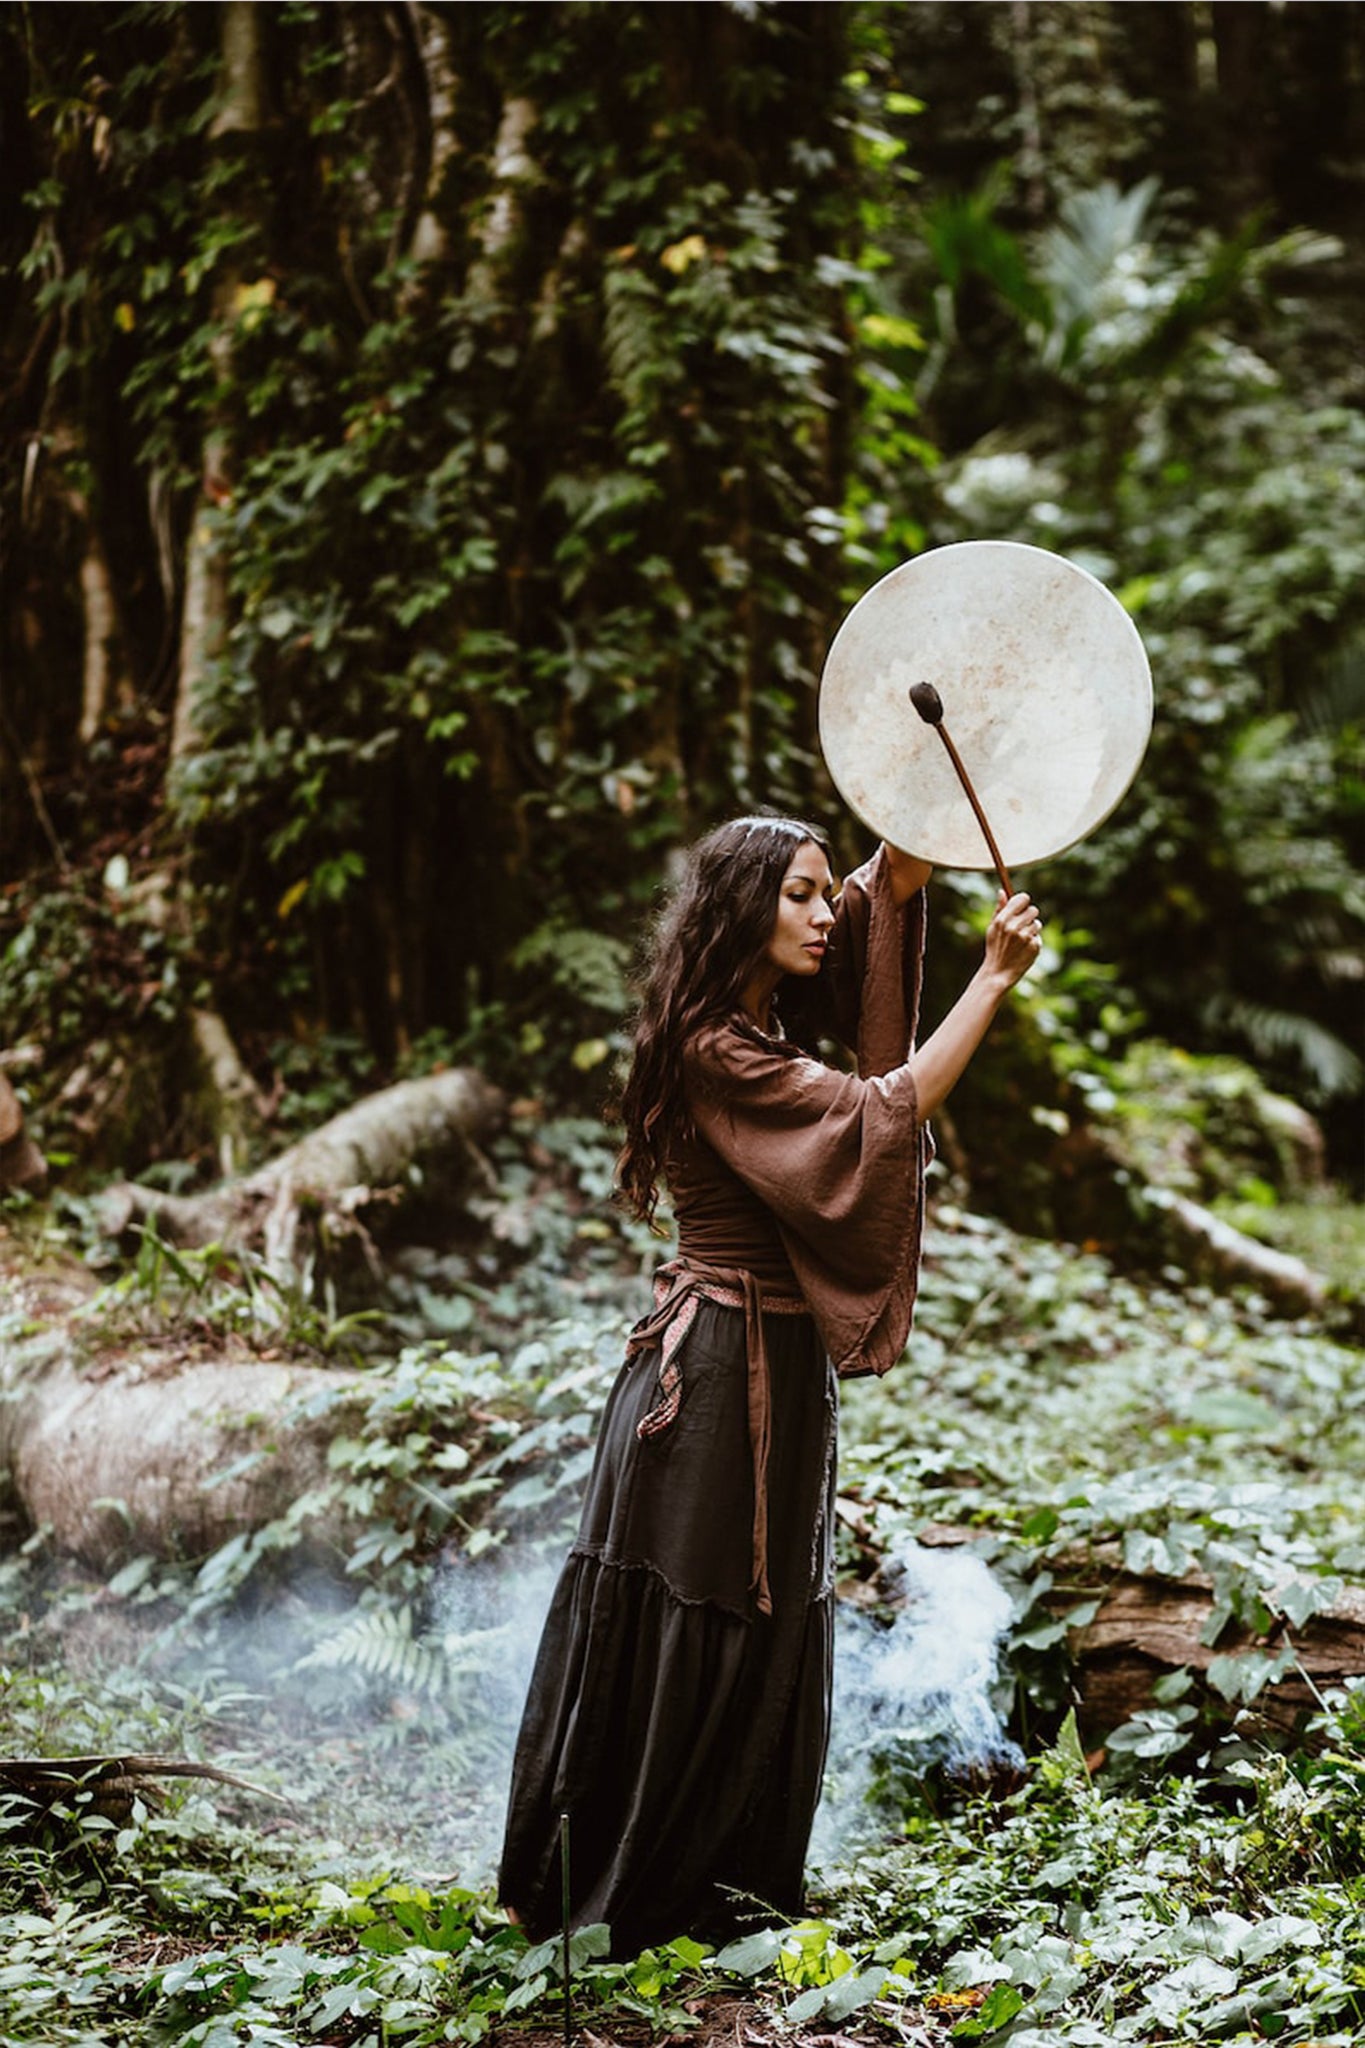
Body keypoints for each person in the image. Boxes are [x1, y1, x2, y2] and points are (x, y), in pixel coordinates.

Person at [498, 814, 1042, 1958]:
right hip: (701, 1382)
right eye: (796, 896)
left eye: (818, 893)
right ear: (745, 909)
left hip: (779, 1367)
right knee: (696, 1607)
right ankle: (627, 1891)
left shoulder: (764, 1015)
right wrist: (991, 978)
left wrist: (906, 853)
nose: (819, 913)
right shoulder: (715, 1047)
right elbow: (877, 1114)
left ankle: (731, 1884)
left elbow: (870, 908)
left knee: (771, 1610)